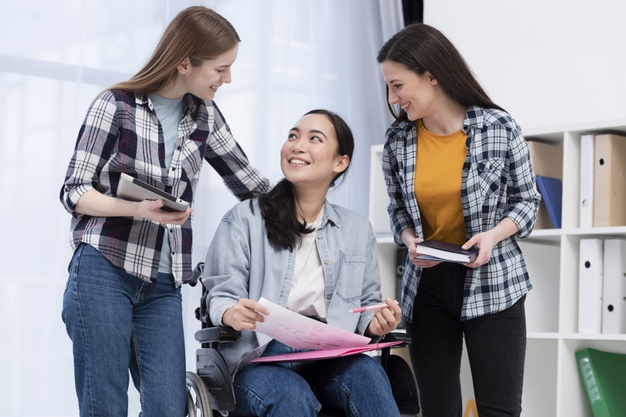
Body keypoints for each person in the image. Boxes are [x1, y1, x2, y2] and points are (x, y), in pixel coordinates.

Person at [59, 6, 270, 417]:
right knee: (105, 405)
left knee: (169, 408)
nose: (228, 79)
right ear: (185, 62)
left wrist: (313, 199)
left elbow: (251, 184)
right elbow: (74, 191)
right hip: (104, 268)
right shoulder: (116, 105)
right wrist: (138, 209)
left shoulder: (204, 116)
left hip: (162, 283)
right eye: (221, 68)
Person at [377, 23, 541, 417]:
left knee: (498, 410)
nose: (393, 98)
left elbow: (527, 203)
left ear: (431, 75)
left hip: (495, 282)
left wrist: (493, 236)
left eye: (398, 85)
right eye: (388, 87)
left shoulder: (498, 128)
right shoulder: (398, 141)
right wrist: (410, 239)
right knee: (438, 409)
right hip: (427, 286)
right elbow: (397, 208)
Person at [202, 109, 403, 417]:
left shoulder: (356, 229)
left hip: (326, 357)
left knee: (369, 375)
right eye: (293, 136)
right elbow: (220, 294)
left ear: (340, 162)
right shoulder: (244, 219)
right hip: (258, 360)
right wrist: (231, 312)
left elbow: (366, 306)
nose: (297, 145)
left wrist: (377, 322)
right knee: (291, 395)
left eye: (314, 138)